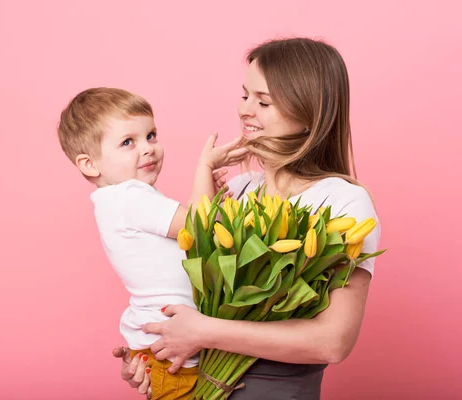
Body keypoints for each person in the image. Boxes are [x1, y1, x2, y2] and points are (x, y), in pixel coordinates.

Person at [113, 37, 382, 400]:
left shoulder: (342, 201)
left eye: (263, 101)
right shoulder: (238, 190)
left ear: (309, 114)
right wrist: (152, 356)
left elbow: (332, 342)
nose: (245, 111)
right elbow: (185, 297)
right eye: (244, 96)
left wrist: (204, 331)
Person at [57, 87, 247, 399]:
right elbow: (198, 228)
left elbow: (191, 240)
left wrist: (207, 194)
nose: (148, 149)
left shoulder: (119, 200)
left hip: (167, 344)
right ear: (90, 164)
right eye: (128, 142)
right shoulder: (129, 197)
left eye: (151, 136)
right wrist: (205, 167)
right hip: (171, 346)